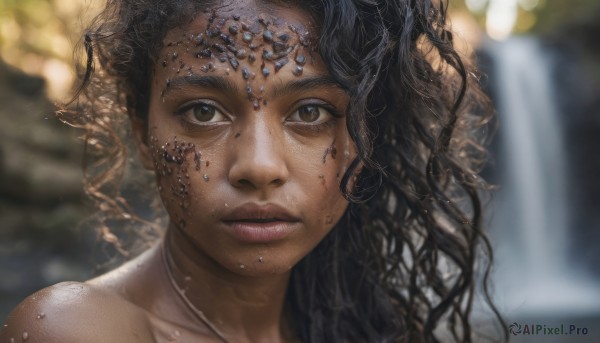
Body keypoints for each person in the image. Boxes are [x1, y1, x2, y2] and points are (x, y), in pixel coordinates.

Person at [0, 0, 506, 342]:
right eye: (203, 111)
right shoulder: (77, 330)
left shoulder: (358, 321)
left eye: (310, 112)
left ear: (366, 135)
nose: (259, 166)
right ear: (141, 130)